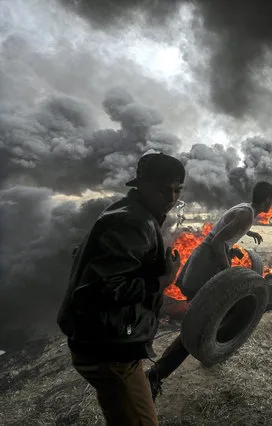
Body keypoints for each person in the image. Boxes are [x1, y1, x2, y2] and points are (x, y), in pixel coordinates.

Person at [57, 153, 185, 426]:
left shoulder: (128, 211)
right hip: (109, 350)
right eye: (163, 189)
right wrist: (166, 279)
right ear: (141, 185)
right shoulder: (134, 222)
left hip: (108, 341)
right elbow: (108, 288)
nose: (171, 198)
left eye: (177, 190)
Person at [145, 181, 272, 399]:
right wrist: (229, 274)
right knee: (200, 322)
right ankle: (156, 374)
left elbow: (226, 231)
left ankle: (209, 351)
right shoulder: (246, 214)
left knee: (214, 317)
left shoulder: (246, 211)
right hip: (206, 262)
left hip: (206, 260)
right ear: (267, 199)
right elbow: (217, 243)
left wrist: (248, 233)